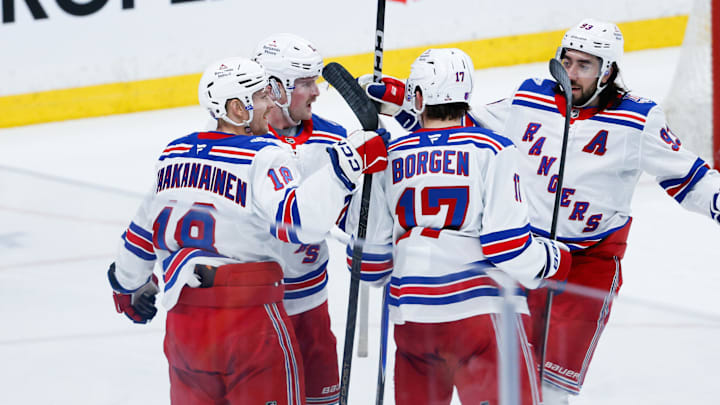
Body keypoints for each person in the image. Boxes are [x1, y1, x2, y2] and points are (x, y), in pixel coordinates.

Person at [365, 19, 720, 405]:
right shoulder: (531, 97)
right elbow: (463, 124)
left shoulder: (639, 119)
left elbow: (692, 178)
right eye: (566, 61)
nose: (571, 73)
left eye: (584, 65)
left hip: (587, 265)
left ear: (609, 72)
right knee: (512, 381)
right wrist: (403, 99)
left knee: (550, 390)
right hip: (521, 256)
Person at [106, 56, 389, 405]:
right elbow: (301, 223)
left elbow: (139, 235)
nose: (271, 103)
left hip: (184, 325)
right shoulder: (264, 156)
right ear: (238, 109)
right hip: (249, 320)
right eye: (261, 97)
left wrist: (128, 286)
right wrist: (349, 160)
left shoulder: (173, 154)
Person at [346, 48, 571, 405]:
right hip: (480, 316)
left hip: (414, 324)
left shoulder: (388, 156)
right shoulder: (493, 148)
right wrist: (552, 259)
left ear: (417, 98)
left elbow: (369, 266)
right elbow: (506, 247)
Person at [253, 33, 346, 405]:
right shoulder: (242, 143)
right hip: (256, 311)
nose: (317, 92)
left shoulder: (334, 140)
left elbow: (356, 220)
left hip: (312, 304)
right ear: (274, 89)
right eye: (306, 83)